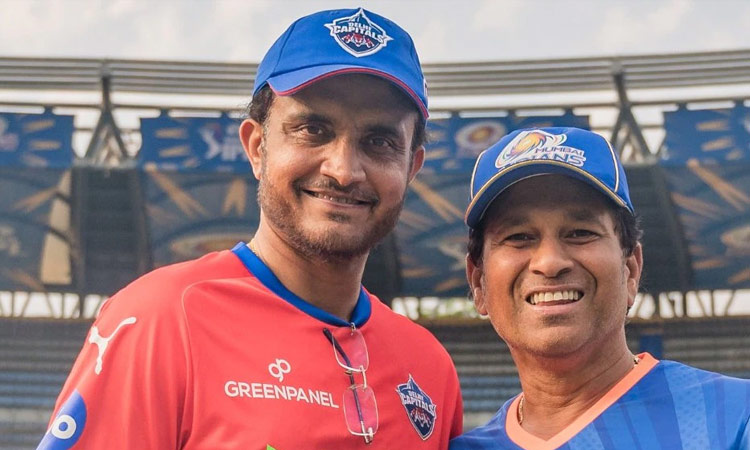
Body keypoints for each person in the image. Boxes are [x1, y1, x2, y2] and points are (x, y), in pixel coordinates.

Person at [39, 7, 463, 449]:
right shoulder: (161, 318)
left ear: (411, 167)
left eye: (379, 141)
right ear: (257, 147)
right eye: (313, 129)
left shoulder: (430, 368)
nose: (343, 169)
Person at [450, 127, 750, 449]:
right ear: (478, 282)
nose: (550, 262)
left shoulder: (733, 416)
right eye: (519, 237)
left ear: (631, 268)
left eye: (580, 232)